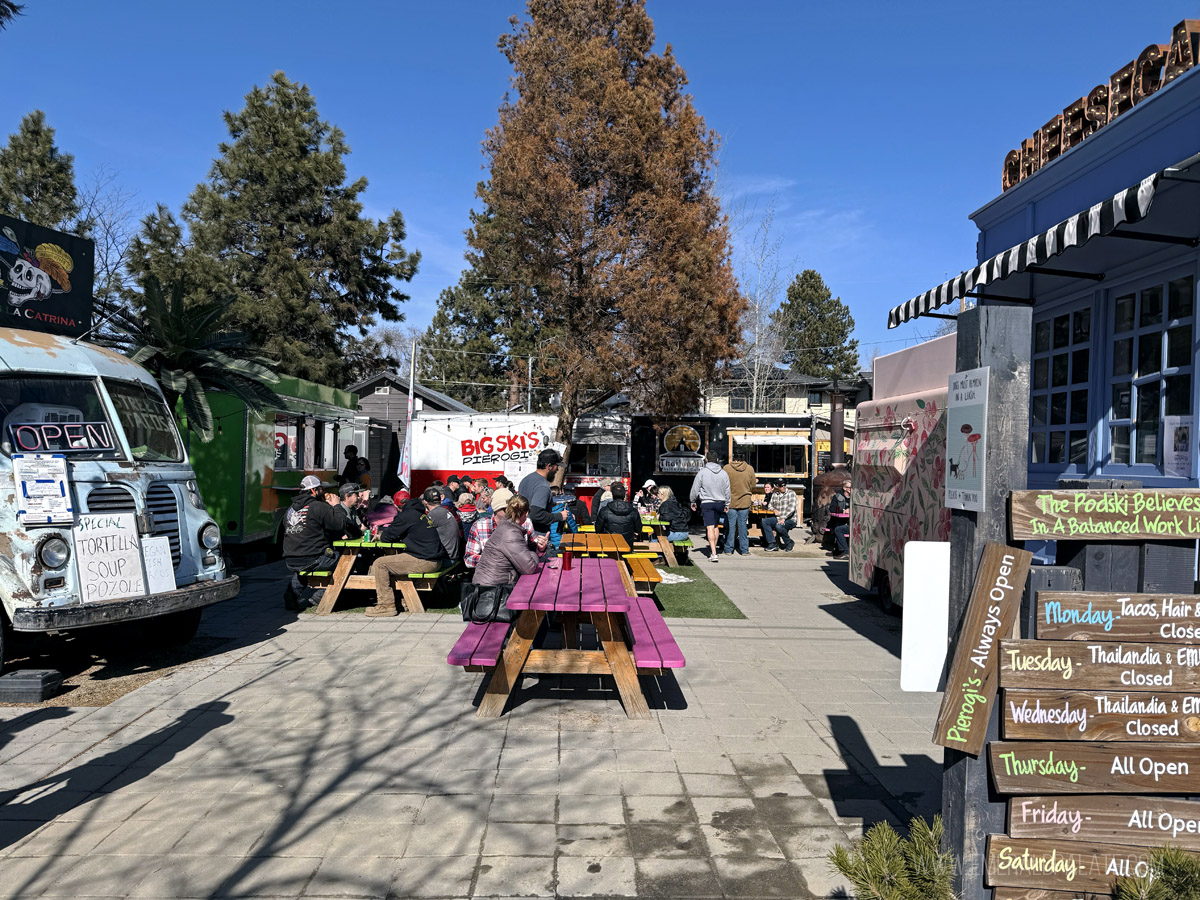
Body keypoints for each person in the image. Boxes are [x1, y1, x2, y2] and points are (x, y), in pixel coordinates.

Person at [282, 475, 361, 610]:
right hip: (314, 558)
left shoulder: (290, 510)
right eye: (321, 489)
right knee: (348, 561)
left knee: (304, 568)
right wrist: (336, 505)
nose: (323, 492)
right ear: (314, 490)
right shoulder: (318, 507)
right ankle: (320, 596)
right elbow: (339, 524)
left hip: (291, 559)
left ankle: (291, 593)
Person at [366, 492, 450, 617]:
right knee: (395, 563)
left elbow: (388, 537)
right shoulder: (420, 514)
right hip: (435, 560)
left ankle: (386, 605)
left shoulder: (406, 515)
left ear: (395, 505)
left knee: (380, 564)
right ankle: (404, 601)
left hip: (425, 560)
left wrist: (379, 535)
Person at [472, 495, 542, 588]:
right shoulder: (511, 533)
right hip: (492, 590)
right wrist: (532, 553)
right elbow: (530, 568)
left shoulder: (505, 526)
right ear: (526, 513)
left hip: (488, 583)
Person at [690, 451, 730, 562]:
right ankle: (714, 549)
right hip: (720, 502)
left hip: (707, 501)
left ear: (706, 459)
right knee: (716, 526)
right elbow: (727, 490)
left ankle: (713, 552)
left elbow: (695, 488)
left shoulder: (702, 472)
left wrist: (693, 500)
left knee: (710, 527)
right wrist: (727, 503)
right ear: (717, 460)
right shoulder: (723, 473)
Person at [518, 448, 570, 536]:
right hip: (537, 537)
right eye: (556, 466)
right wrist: (559, 516)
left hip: (522, 532)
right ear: (549, 466)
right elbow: (536, 514)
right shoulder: (542, 486)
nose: (557, 470)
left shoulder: (526, 479)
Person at [723, 454, 756, 556]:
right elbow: (753, 485)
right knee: (743, 526)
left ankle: (729, 549)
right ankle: (744, 550)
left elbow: (723, 484)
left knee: (731, 526)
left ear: (733, 457)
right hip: (745, 500)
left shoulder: (726, 468)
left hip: (731, 500)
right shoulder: (750, 469)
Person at [595, 482, 641, 550]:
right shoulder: (633, 511)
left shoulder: (604, 511)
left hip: (608, 545)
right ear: (624, 495)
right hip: (627, 545)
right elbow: (639, 529)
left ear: (612, 495)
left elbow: (598, 529)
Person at [761, 478, 799, 552]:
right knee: (765, 521)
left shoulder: (791, 493)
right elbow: (770, 506)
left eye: (784, 485)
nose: (783, 487)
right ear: (776, 487)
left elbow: (791, 508)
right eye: (781, 486)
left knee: (779, 526)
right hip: (778, 518)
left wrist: (783, 518)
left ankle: (789, 542)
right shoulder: (775, 495)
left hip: (790, 519)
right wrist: (774, 510)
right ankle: (772, 543)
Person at [427, 486, 464, 561]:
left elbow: (422, 535)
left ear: (425, 501)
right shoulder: (447, 509)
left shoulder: (435, 514)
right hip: (454, 555)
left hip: (446, 558)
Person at [548, 484, 577, 550]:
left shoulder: (544, 509)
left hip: (547, 542)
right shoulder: (564, 508)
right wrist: (575, 534)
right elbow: (573, 526)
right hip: (560, 541)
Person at [830, 481, 851, 559]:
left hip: (850, 522)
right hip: (839, 519)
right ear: (844, 488)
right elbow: (832, 509)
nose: (852, 489)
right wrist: (843, 511)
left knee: (838, 529)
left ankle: (845, 551)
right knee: (837, 526)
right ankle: (839, 550)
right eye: (850, 487)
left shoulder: (856, 498)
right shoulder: (838, 496)